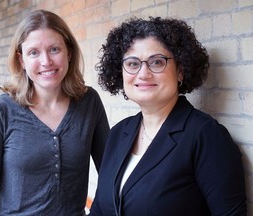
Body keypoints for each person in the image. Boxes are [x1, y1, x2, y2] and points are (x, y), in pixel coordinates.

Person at [89, 17, 247, 216]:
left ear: (180, 71)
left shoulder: (205, 136)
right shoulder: (118, 133)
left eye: (156, 62)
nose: (143, 73)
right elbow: (100, 210)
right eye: (132, 63)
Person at [0, 9, 109, 216]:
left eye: (54, 49)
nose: (46, 61)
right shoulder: (0, 111)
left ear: (69, 52)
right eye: (34, 52)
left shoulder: (89, 102)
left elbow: (111, 174)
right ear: (21, 60)